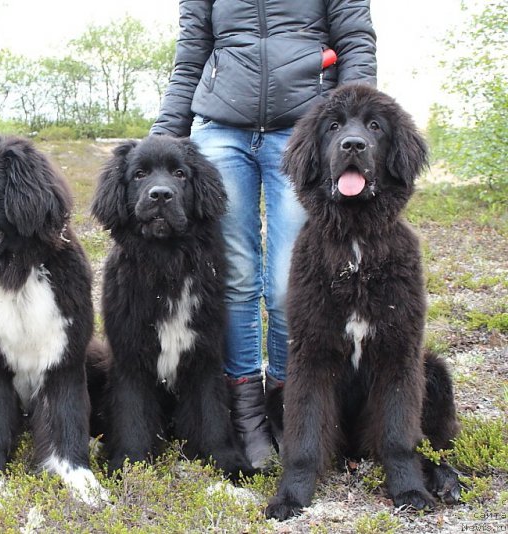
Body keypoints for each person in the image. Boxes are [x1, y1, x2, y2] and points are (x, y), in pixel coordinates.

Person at [150, 0, 377, 469]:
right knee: (233, 277)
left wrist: (348, 122)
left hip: (303, 130)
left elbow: (356, 42)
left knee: (286, 283)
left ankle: (285, 402)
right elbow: (192, 52)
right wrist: (165, 134)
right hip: (221, 132)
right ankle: (245, 412)